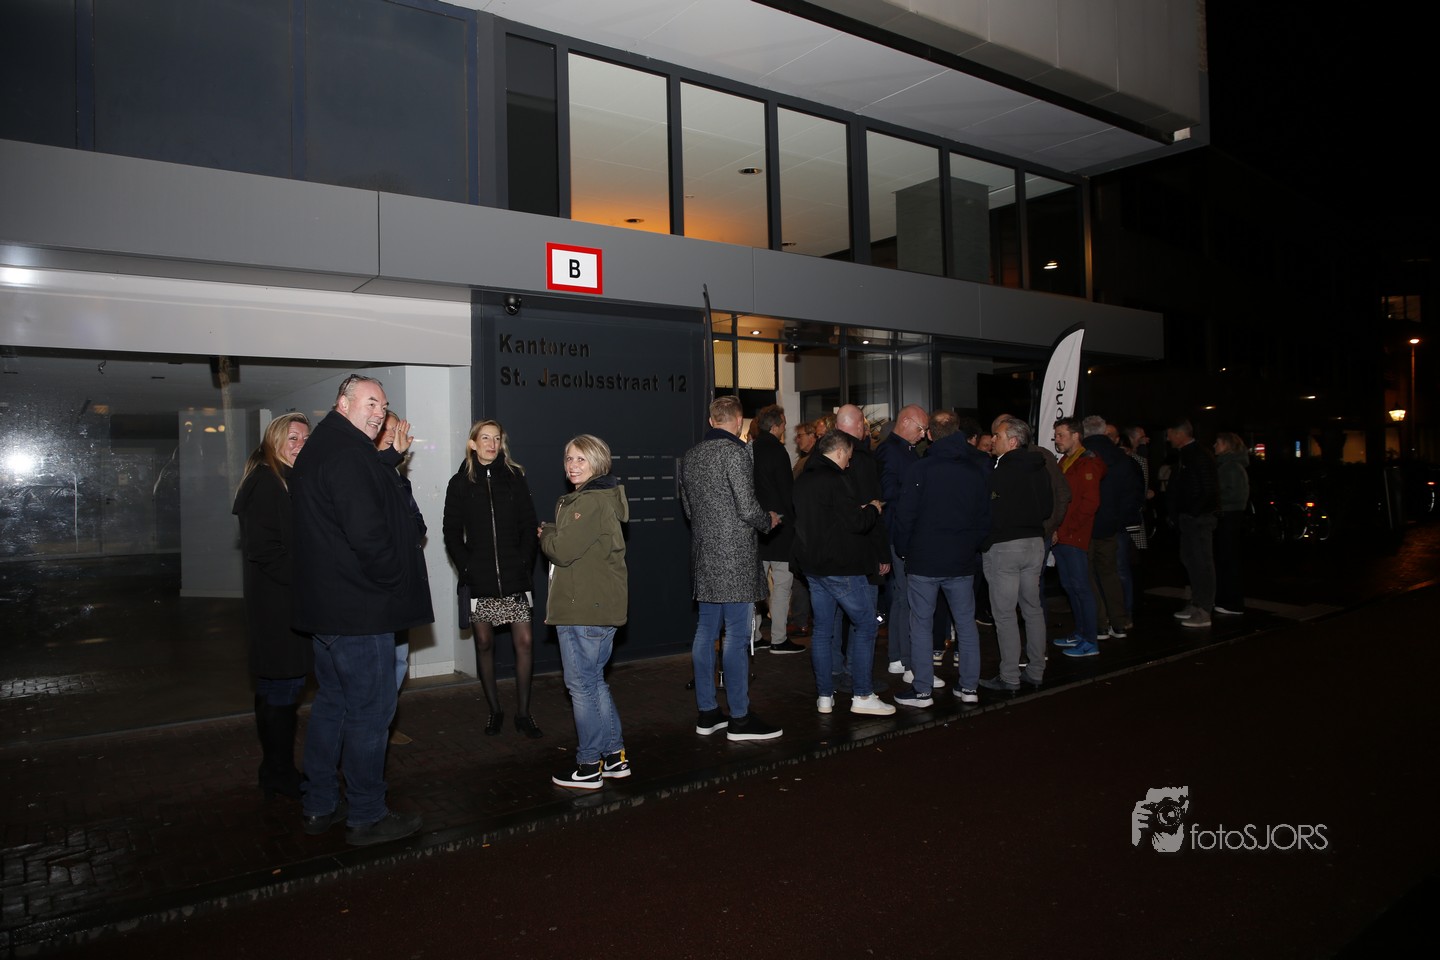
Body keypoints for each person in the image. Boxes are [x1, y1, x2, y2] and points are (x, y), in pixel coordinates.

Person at [291, 374, 431, 846]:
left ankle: (319, 804)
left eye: (383, 406)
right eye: (370, 403)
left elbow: (358, 491)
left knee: (333, 705)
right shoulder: (348, 454)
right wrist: (393, 581)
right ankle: (367, 815)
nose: (379, 413)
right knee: (371, 713)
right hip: (360, 610)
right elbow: (368, 536)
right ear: (343, 403)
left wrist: (390, 459)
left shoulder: (326, 448)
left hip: (328, 611)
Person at [680, 396, 784, 741]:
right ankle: (740, 718)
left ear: (712, 421)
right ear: (739, 422)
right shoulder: (737, 453)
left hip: (705, 555)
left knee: (705, 633)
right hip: (735, 557)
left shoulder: (691, 456)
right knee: (737, 637)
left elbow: (689, 510)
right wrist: (768, 520)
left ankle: (708, 712)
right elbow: (748, 508)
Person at [540, 435, 631, 789]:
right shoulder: (598, 499)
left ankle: (590, 764)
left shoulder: (590, 502)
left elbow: (562, 550)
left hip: (583, 610)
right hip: (596, 608)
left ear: (598, 462)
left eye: (581, 459)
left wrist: (547, 533)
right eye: (569, 459)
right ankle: (614, 756)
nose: (572, 465)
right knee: (594, 683)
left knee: (581, 686)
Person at [442, 419, 543, 739]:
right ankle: (495, 711)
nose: (491, 444)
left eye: (496, 438)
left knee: (524, 643)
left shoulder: (515, 477)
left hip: (515, 576)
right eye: (485, 438)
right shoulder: (459, 483)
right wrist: (467, 568)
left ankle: (523, 713)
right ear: (473, 443)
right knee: (484, 644)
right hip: (480, 578)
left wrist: (525, 562)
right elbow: (451, 533)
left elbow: (528, 524)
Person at [232, 412, 311, 801]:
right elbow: (266, 551)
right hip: (278, 607)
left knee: (277, 687)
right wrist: (311, 579)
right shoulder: (266, 482)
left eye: (305, 439)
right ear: (274, 441)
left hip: (280, 603)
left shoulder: (284, 479)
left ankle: (274, 770)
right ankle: (280, 773)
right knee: (282, 688)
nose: (300, 445)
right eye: (292, 438)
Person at [889, 411, 991, 708]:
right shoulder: (974, 471)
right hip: (961, 559)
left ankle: (922, 690)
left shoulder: (920, 470)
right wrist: (972, 546)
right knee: (965, 624)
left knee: (921, 624)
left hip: (925, 560)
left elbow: (905, 516)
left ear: (930, 435)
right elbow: (985, 517)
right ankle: (969, 687)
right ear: (958, 431)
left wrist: (904, 550)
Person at [793, 430, 896, 716]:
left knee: (822, 631)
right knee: (867, 625)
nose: (849, 462)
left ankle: (824, 696)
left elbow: (824, 519)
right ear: (839, 452)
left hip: (813, 568)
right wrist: (873, 509)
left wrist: (856, 510)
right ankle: (862, 694)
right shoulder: (836, 479)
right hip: (841, 567)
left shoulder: (803, 480)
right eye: (848, 456)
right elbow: (855, 523)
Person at [978, 416, 1052, 695]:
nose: (993, 440)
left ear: (1012, 441)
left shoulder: (1001, 471)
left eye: (997, 436)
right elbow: (1047, 508)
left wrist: (985, 541)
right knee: (1032, 609)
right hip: (1035, 543)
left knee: (1005, 614)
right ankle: (1036, 670)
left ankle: (1009, 676)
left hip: (1005, 547)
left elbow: (989, 512)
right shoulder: (1040, 468)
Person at [376, 410, 422, 746]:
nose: (393, 434)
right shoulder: (367, 472)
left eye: (396, 429)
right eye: (387, 429)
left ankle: (385, 725)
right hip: (379, 587)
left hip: (402, 583)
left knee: (399, 660)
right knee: (378, 664)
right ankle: (373, 729)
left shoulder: (398, 477)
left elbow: (417, 524)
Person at [874, 404, 927, 677]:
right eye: (920, 428)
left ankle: (897, 656)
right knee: (906, 596)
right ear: (905, 422)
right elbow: (887, 491)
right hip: (898, 531)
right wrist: (918, 491)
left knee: (901, 596)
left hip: (902, 530)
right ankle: (906, 660)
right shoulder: (890, 450)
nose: (924, 434)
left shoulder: (906, 450)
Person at [751, 404, 805, 654]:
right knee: (782, 584)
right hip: (781, 527)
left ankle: (753, 636)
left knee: (756, 586)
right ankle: (779, 638)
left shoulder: (750, 449)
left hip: (757, 527)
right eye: (783, 424)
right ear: (774, 426)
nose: (785, 428)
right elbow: (787, 491)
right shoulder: (777, 451)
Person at [1051, 416, 1105, 658]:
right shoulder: (1066, 461)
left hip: (1074, 536)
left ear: (1076, 435)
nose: (1057, 440)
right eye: (1056, 435)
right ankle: (1081, 633)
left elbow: (1089, 504)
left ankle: (1090, 640)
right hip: (1063, 535)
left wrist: (1067, 529)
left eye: (1061, 435)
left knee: (1081, 587)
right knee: (1070, 587)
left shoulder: (1087, 463)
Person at [1167, 418, 1220, 627]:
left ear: (1179, 434)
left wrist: (1194, 512)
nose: (1168, 438)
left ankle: (1204, 609)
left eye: (1170, 434)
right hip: (1189, 517)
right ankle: (1197, 603)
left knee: (1202, 563)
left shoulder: (1198, 454)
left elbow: (1208, 488)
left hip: (1198, 518)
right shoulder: (1187, 454)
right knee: (1190, 559)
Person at [1213, 431, 1250, 616]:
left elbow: (1234, 494)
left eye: (1218, 442)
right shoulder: (1228, 465)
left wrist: (1214, 501)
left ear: (1227, 445)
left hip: (1229, 517)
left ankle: (1232, 602)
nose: (1214, 446)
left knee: (1228, 559)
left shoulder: (1231, 466)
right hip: (1228, 516)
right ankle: (1227, 599)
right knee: (1226, 559)